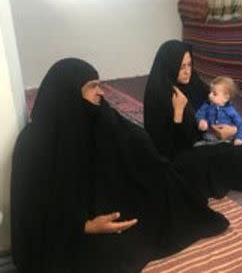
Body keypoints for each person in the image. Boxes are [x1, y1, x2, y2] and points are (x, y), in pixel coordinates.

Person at [10, 58, 229, 273]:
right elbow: (32, 210)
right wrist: (84, 226)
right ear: (69, 92)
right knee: (107, 257)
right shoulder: (35, 143)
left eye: (100, 84)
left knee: (166, 196)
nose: (101, 92)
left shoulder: (99, 115)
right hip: (68, 228)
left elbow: (131, 138)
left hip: (106, 202)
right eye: (92, 86)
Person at [143, 40, 242, 199]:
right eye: (181, 66)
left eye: (189, 65)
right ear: (170, 66)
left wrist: (231, 130)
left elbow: (221, 103)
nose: (187, 71)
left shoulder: (192, 82)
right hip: (178, 152)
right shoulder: (159, 93)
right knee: (216, 161)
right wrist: (178, 112)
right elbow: (166, 146)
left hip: (203, 138)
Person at [195, 76, 242, 146]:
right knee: (198, 145)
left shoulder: (231, 111)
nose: (210, 95)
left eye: (214, 94)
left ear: (226, 98)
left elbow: (240, 124)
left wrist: (239, 138)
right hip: (209, 136)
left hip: (226, 139)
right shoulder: (207, 105)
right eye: (210, 92)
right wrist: (201, 120)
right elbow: (199, 113)